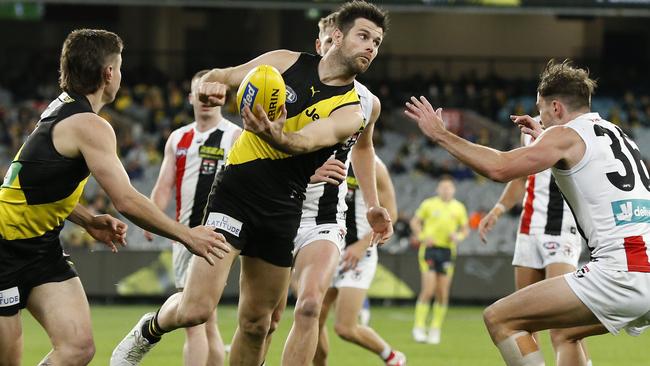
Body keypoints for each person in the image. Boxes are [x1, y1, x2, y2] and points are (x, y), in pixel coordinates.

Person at [111, 2, 392, 366]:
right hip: (237, 192)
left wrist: (274, 134)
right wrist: (212, 84)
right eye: (364, 36)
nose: (371, 46)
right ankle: (148, 330)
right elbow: (225, 75)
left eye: (377, 42)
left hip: (283, 207)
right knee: (196, 308)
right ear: (336, 36)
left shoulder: (353, 109)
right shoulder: (284, 61)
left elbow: (304, 141)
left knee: (258, 323)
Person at [0, 29, 228, 366]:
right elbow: (126, 200)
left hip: (40, 247)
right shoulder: (90, 125)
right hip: (4, 248)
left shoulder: (62, 109)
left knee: (78, 348)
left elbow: (33, 185)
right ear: (109, 73)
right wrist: (186, 234)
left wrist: (88, 219)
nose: (120, 74)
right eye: (119, 67)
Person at [405, 59, 650, 366]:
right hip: (644, 269)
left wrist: (441, 135)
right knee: (565, 333)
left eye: (542, 108)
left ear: (557, 107)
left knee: (499, 318)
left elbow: (500, 168)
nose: (541, 115)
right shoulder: (617, 134)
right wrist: (546, 137)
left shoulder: (564, 137)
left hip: (620, 272)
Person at [142, 69, 242, 366]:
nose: (208, 98)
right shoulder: (178, 138)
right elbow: (164, 185)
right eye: (201, 92)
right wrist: (150, 217)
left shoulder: (234, 135)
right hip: (183, 236)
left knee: (192, 322)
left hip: (215, 235)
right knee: (206, 319)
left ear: (223, 96)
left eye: (214, 92)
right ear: (191, 98)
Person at [478, 120, 592, 365]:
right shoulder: (530, 131)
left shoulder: (576, 131)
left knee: (565, 325)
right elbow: (520, 178)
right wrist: (497, 210)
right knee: (524, 320)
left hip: (562, 229)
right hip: (528, 229)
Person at [410, 175, 468, 344]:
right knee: (428, 290)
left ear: (453, 190)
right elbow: (415, 222)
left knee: (442, 293)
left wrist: (458, 237)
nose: (445, 190)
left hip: (447, 251)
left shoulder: (459, 208)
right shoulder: (429, 204)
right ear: (437, 189)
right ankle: (419, 327)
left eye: (448, 187)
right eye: (443, 187)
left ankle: (435, 329)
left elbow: (465, 229)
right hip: (429, 249)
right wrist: (422, 237)